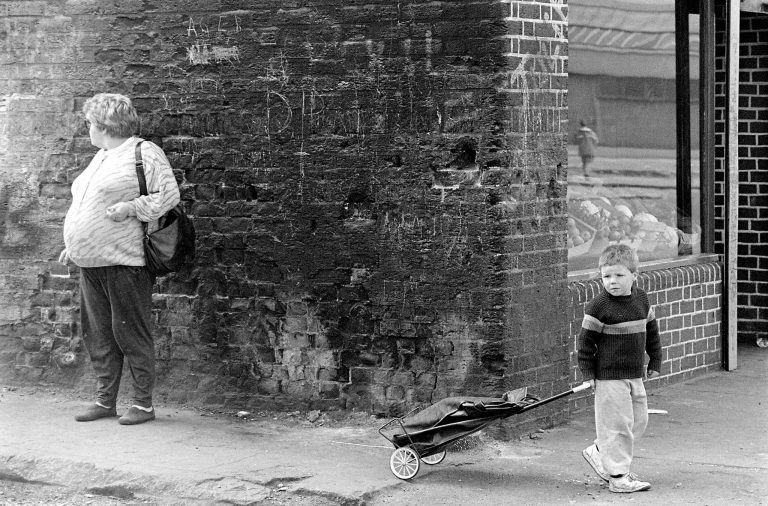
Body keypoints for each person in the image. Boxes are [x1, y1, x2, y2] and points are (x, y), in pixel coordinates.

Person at [59, 93, 180, 425]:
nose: (87, 129)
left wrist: (131, 208)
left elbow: (169, 195)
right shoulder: (101, 156)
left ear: (104, 125)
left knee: (130, 332)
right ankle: (105, 400)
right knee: (98, 333)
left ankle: (142, 404)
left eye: (90, 123)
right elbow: (88, 205)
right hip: (91, 261)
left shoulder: (144, 152)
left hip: (125, 260)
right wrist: (75, 244)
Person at [577, 244, 662, 493]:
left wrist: (655, 360)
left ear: (634, 275)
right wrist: (588, 374)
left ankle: (600, 451)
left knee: (638, 421)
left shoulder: (641, 299)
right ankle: (617, 476)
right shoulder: (599, 306)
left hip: (634, 373)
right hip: (609, 376)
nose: (612, 281)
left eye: (619, 275)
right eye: (606, 276)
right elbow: (585, 343)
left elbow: (652, 333)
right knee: (617, 426)